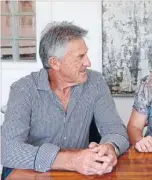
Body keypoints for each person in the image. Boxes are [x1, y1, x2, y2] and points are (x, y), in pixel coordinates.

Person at [1, 21, 129, 178]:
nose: (88, 63)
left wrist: (110, 147)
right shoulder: (23, 89)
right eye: (80, 57)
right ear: (55, 63)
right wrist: (71, 161)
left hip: (80, 173)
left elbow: (116, 130)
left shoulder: (95, 82)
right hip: (32, 173)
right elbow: (8, 150)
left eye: (86, 54)